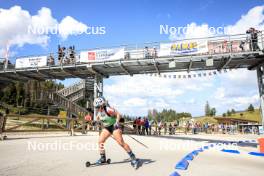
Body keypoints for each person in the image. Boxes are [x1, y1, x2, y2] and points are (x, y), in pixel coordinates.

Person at [93, 97, 139, 167]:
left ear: (102, 105)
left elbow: (118, 115)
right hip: (107, 128)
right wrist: (96, 122)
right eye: (96, 107)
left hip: (114, 127)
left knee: (121, 143)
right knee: (100, 141)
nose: (97, 108)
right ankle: (103, 158)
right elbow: (98, 119)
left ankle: (133, 157)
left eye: (98, 107)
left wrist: (117, 122)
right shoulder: (99, 112)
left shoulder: (108, 109)